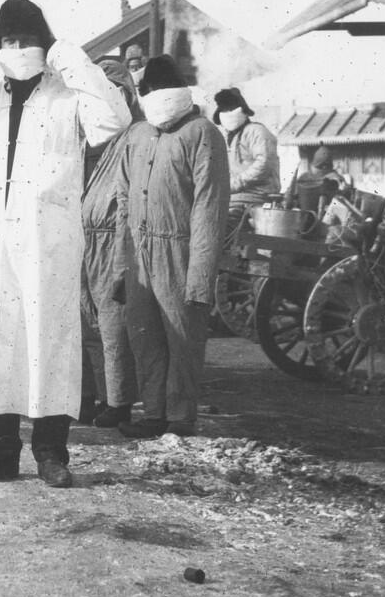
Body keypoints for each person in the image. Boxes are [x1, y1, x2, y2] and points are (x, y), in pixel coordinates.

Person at [0, 0, 131, 488]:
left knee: (48, 342)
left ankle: (52, 453)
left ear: (46, 43)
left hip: (47, 239)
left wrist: (66, 56)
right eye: (9, 41)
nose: (20, 49)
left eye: (30, 41)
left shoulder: (67, 92)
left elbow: (112, 121)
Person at [113, 54, 230, 439]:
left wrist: (200, 275)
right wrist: (120, 266)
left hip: (179, 250)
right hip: (138, 251)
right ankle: (154, 412)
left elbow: (208, 209)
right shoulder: (137, 135)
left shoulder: (202, 133)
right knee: (144, 335)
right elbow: (123, 202)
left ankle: (180, 415)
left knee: (182, 336)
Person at [78, 57, 143, 428]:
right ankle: (89, 397)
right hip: (82, 238)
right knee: (84, 322)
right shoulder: (89, 139)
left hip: (112, 237)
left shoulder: (131, 137)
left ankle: (118, 401)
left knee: (113, 324)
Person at [213, 85, 280, 238]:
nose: (228, 112)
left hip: (256, 198)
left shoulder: (256, 132)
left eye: (232, 108)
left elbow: (264, 164)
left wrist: (233, 184)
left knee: (221, 228)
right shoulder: (228, 136)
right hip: (232, 198)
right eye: (225, 109)